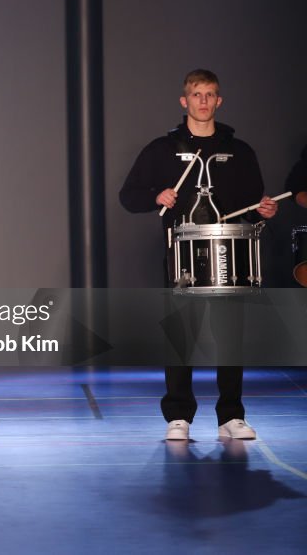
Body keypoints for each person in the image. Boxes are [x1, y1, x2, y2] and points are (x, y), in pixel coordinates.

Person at [120, 69, 276, 441]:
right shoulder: (162, 149)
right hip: (182, 257)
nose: (203, 102)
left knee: (230, 337)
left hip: (229, 255)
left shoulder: (239, 151)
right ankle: (178, 417)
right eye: (196, 95)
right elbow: (129, 197)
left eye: (210, 95)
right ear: (184, 101)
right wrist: (156, 196)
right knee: (179, 338)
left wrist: (264, 210)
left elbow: (253, 205)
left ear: (219, 101)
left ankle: (231, 417)